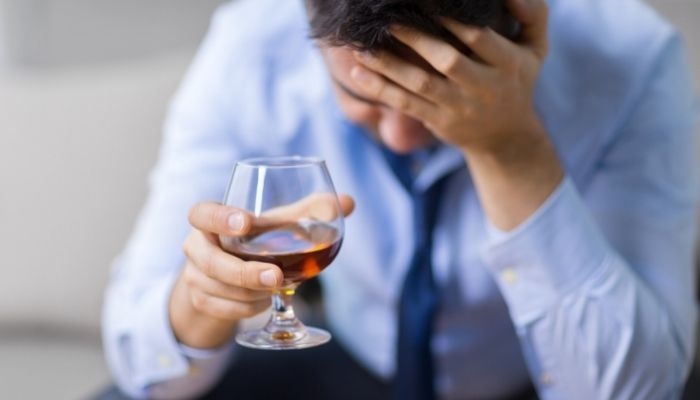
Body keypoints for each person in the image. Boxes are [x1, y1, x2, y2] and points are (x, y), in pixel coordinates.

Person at [101, 0, 698, 398]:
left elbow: (635, 390)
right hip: (350, 363)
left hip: (534, 379)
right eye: (364, 94)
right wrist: (203, 300)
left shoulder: (631, 59)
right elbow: (139, 361)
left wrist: (509, 146)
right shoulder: (254, 48)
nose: (400, 136)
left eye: (439, 101)